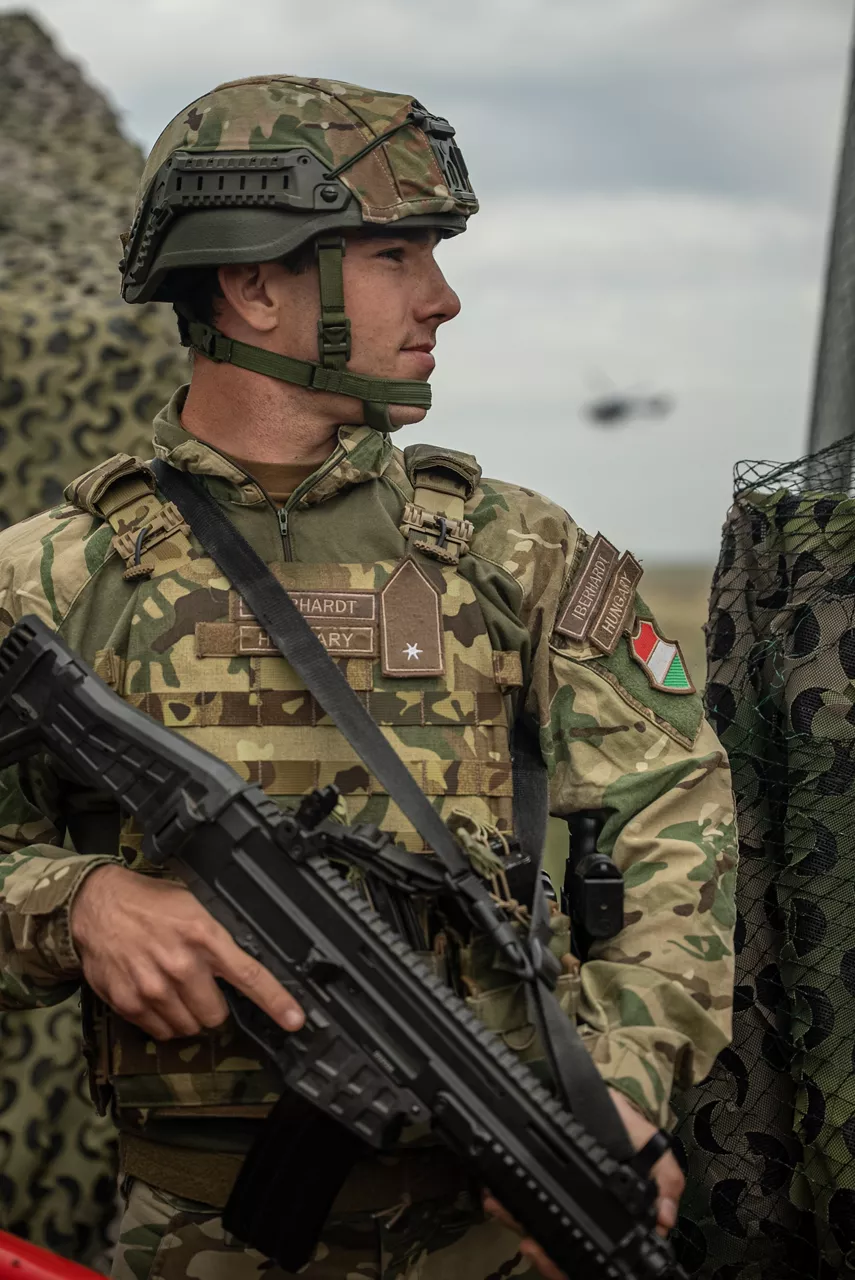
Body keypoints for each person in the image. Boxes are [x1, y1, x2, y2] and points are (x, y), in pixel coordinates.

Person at [0, 76, 737, 1280]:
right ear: (253, 282)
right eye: (398, 253)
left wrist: (610, 1087)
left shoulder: (520, 556)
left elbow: (676, 817)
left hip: (492, 1225)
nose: (443, 298)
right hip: (195, 1239)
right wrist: (74, 901)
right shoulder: (52, 579)